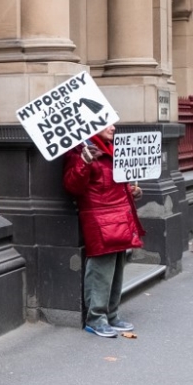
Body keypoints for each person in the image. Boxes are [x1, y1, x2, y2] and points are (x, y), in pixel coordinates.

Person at [63, 124, 145, 338]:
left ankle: (111, 314)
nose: (113, 127)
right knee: (101, 269)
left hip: (119, 214)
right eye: (107, 123)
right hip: (101, 217)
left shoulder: (111, 148)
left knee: (117, 266)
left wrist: (131, 190)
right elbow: (73, 186)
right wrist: (84, 161)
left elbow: (113, 182)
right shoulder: (81, 150)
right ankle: (96, 318)